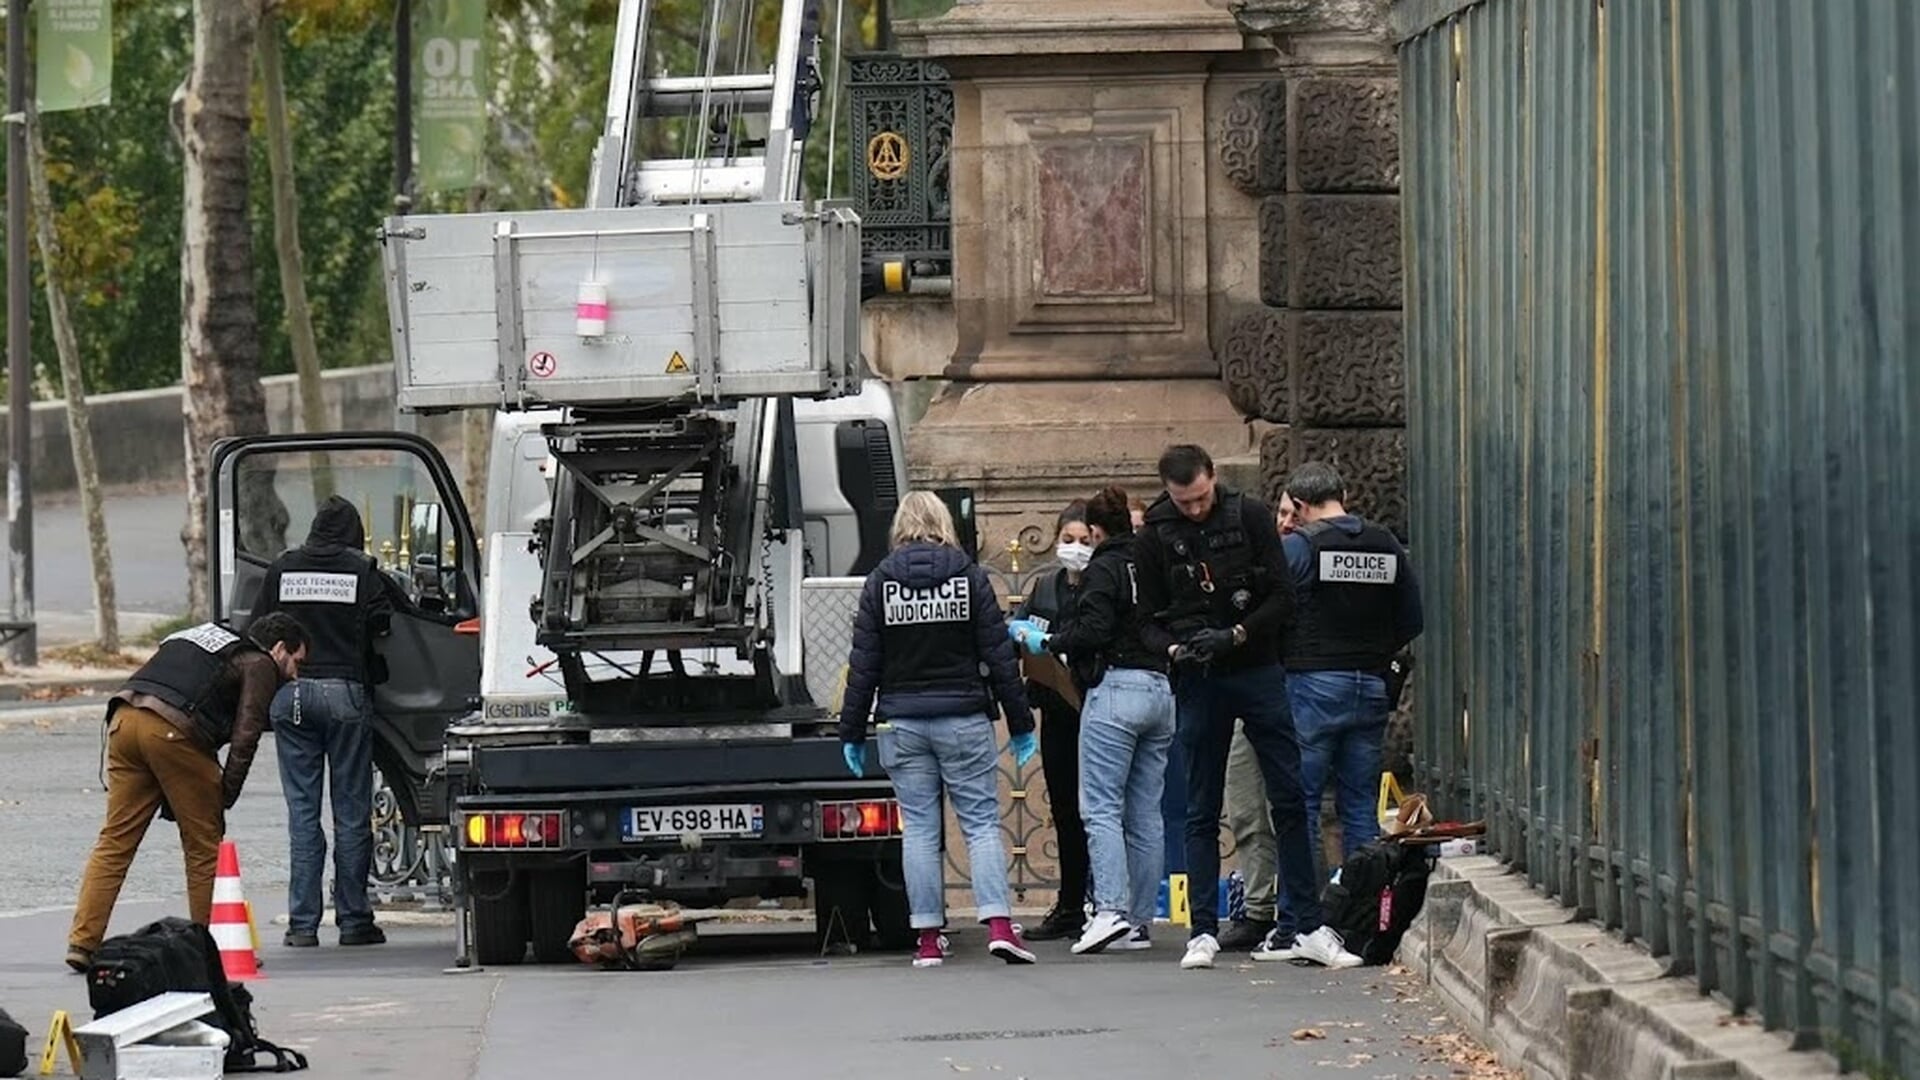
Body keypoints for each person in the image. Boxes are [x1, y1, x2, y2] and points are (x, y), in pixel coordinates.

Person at [1132, 444, 1360, 971]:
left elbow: (1282, 597)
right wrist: (1174, 649)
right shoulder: (1155, 535)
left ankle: (1305, 924)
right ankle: (1202, 931)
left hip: (1255, 669)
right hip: (1200, 677)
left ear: (1214, 478)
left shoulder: (1251, 516)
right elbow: (1142, 620)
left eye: (1201, 498)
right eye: (1183, 501)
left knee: (1288, 798)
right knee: (1201, 807)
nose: (1194, 509)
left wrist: (1236, 634)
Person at [838, 491, 1038, 968]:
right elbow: (998, 655)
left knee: (921, 831)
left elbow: (864, 665)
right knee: (982, 824)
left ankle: (928, 940)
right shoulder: (969, 578)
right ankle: (999, 926)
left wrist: (850, 731)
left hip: (902, 723)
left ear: (900, 526)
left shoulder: (880, 583)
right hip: (964, 718)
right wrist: (1021, 722)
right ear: (944, 523)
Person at [65, 614, 310, 973]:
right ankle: (209, 949)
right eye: (296, 662)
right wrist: (224, 793)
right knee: (204, 847)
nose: (294, 674)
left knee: (115, 840)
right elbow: (247, 732)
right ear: (277, 649)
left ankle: (82, 943)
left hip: (123, 718)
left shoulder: (205, 635)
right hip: (172, 731)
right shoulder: (259, 662)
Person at [1010, 487, 1174, 956]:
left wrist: (1053, 641)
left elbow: (1094, 630)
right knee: (1144, 813)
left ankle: (1109, 912)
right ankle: (1140, 921)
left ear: (1099, 532)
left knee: (1099, 807)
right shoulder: (1150, 562)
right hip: (1159, 687)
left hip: (1116, 689)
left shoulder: (1104, 567)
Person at [255, 496, 398, 948]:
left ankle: (302, 925)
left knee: (302, 812)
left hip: (292, 695)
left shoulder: (283, 567)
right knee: (352, 812)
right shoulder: (362, 569)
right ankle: (354, 920)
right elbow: (384, 621)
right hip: (344, 695)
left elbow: (260, 628)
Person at [1277, 461, 1424, 866]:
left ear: (1302, 504)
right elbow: (1412, 618)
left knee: (1302, 803)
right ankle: (1358, 908)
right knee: (1360, 805)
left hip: (1313, 684)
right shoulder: (1386, 543)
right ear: (1344, 496)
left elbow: (1273, 609)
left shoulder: (1300, 546)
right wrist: (1375, 652)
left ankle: (1304, 916)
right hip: (1372, 687)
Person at [1010, 501, 1093, 942]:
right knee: (1063, 810)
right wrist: (1019, 635)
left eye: (1084, 541)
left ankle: (1103, 901)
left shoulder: (1100, 585)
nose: (1075, 549)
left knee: (1098, 810)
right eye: (1068, 540)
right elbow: (1021, 630)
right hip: (1057, 710)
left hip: (1095, 712)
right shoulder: (1046, 587)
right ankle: (1070, 903)